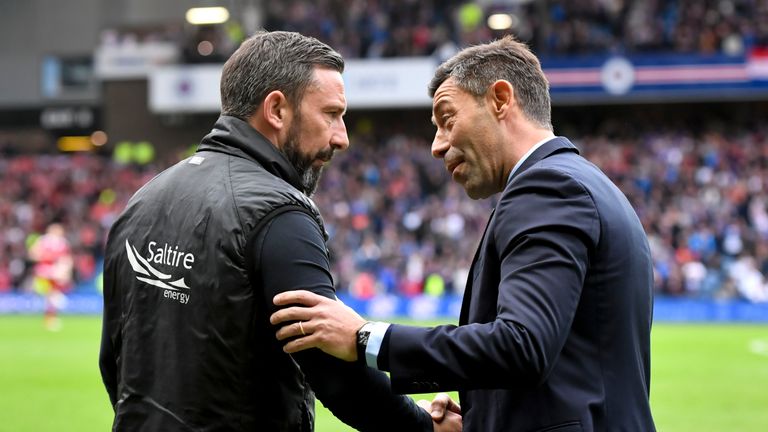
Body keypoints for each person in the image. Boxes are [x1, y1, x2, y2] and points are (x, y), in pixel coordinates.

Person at [270, 35, 657, 431]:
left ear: (501, 99)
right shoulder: (586, 184)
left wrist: (365, 337)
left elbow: (522, 346)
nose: (437, 146)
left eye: (447, 119)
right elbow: (562, 365)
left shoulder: (548, 189)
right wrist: (481, 416)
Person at [99, 31, 461, 432]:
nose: (342, 137)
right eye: (331, 114)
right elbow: (334, 371)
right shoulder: (279, 213)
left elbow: (114, 360)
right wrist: (423, 426)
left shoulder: (141, 202)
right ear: (276, 110)